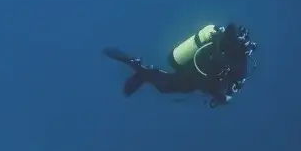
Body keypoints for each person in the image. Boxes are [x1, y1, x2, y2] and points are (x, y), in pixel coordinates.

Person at [103, 23, 256, 107]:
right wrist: (222, 98)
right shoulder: (234, 64)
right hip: (193, 75)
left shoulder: (224, 43)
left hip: (191, 63)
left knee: (168, 82)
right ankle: (138, 67)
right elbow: (212, 85)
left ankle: (143, 73)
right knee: (165, 86)